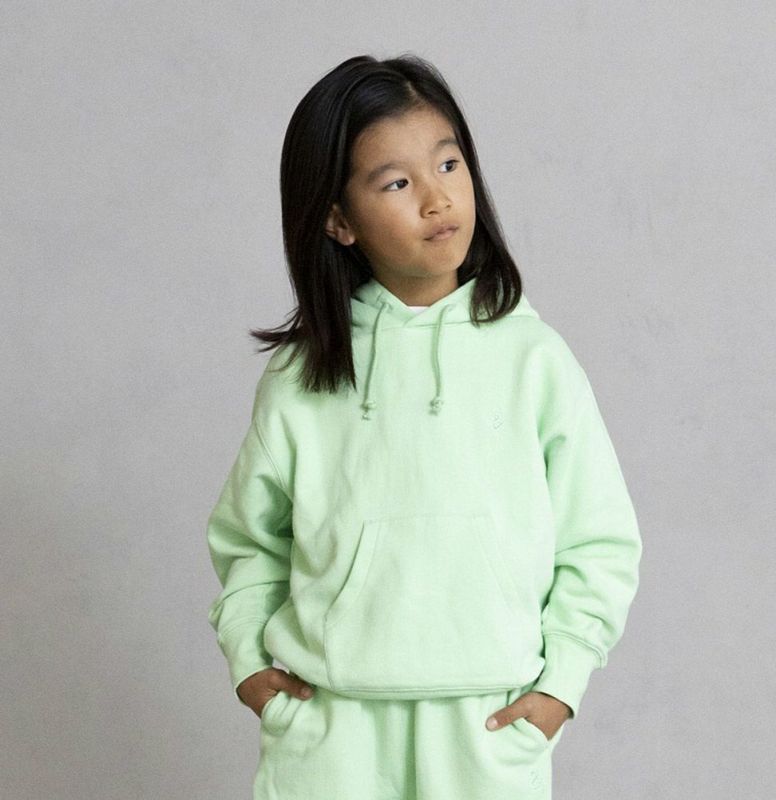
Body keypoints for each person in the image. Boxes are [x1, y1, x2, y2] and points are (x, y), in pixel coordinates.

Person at [205, 53, 643, 800]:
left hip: (488, 722)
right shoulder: (301, 377)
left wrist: (561, 683)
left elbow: (598, 538)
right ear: (338, 219)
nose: (438, 198)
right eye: (397, 183)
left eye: (448, 164)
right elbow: (251, 540)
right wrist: (251, 662)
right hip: (332, 727)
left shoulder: (534, 359)